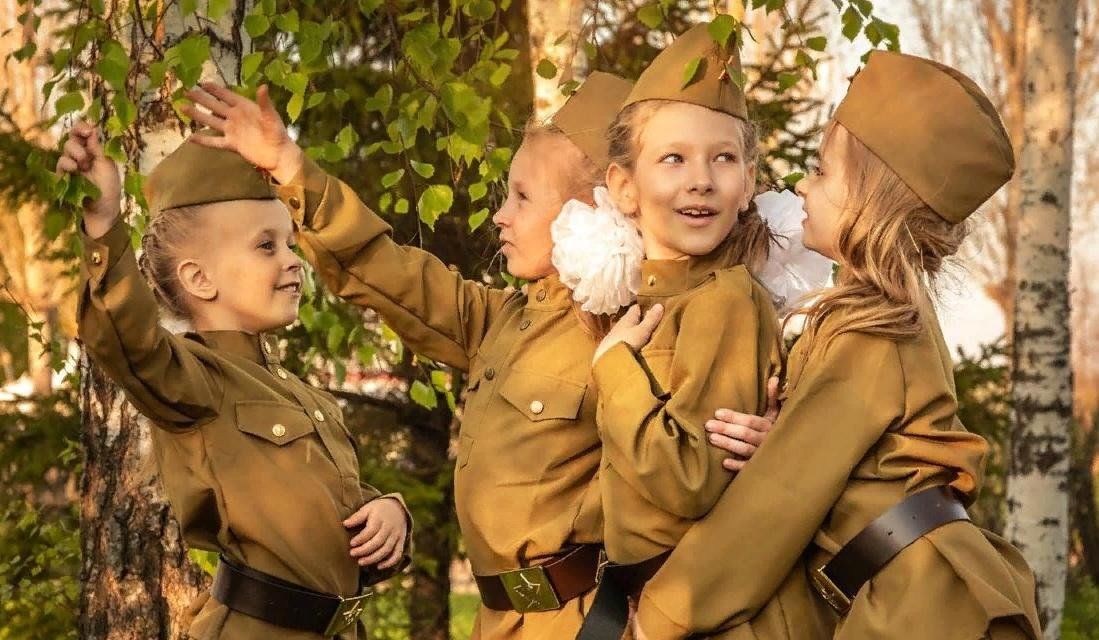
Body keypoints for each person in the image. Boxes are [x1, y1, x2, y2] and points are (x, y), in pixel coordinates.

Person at [183, 74, 646, 640]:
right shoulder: (504, 320)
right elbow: (389, 271)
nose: (501, 215)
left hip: (587, 622)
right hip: (499, 621)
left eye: (523, 197)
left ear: (594, 213)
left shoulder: (635, 331)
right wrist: (288, 166)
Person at [632, 50, 1042, 640]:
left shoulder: (873, 328)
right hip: (905, 590)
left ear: (868, 198)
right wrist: (790, 434)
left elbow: (778, 502)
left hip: (923, 603)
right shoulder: (875, 316)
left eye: (822, 171)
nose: (801, 183)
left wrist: (663, 615)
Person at [60, 123, 410, 639]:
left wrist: (387, 510)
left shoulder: (303, 394)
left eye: (290, 243)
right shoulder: (191, 378)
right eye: (265, 246)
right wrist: (104, 223)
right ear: (200, 279)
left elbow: (327, 503)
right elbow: (126, 338)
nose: (293, 261)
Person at [587, 21, 784, 608]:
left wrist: (614, 371)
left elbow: (690, 478)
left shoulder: (725, 299)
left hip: (687, 604)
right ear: (624, 187)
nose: (700, 181)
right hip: (640, 598)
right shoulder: (646, 301)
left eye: (723, 159)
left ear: (748, 183)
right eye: (673, 158)